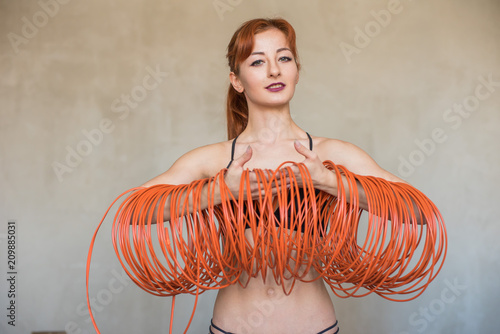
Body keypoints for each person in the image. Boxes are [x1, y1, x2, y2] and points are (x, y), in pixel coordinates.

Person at [141, 18, 411, 334]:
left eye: (284, 58)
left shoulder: (330, 153)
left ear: (297, 70)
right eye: (258, 61)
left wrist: (327, 181)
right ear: (236, 80)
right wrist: (219, 192)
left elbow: (416, 212)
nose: (274, 70)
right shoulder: (214, 158)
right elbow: (137, 212)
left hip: (315, 327)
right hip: (232, 327)